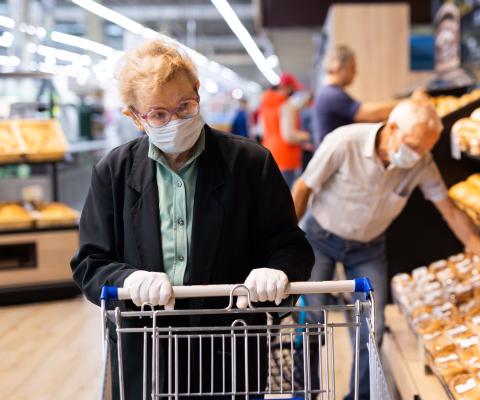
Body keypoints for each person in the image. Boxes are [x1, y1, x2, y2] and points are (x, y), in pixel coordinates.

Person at [70, 39, 314, 399]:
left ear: (197, 94)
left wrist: (276, 270)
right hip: (146, 349)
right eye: (158, 114)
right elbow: (90, 262)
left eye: (185, 105)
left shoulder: (250, 164)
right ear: (135, 117)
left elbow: (291, 246)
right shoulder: (114, 172)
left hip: (231, 346)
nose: (176, 120)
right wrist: (129, 279)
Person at [292, 100, 480, 400]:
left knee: (373, 327)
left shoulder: (421, 162)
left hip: (368, 248)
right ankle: (305, 393)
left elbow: (452, 213)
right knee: (311, 321)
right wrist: (286, 242)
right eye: (415, 146)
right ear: (393, 129)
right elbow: (303, 188)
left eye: (426, 149)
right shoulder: (345, 142)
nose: (420, 155)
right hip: (320, 238)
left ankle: (360, 395)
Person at [313, 45, 424, 146]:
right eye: (352, 68)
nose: (355, 73)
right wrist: (412, 102)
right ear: (337, 67)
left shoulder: (328, 93)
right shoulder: (331, 95)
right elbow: (371, 114)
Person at [260, 73, 311, 187]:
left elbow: (262, 130)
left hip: (269, 151)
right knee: (285, 198)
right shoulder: (287, 106)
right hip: (286, 156)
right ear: (287, 88)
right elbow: (289, 136)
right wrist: (308, 136)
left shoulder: (266, 104)